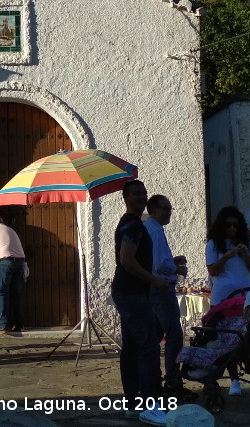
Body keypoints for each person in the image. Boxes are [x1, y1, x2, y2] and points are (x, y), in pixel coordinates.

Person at [111, 180, 169, 426]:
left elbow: (133, 259)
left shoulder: (132, 223)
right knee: (148, 347)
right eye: (136, 193)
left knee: (133, 348)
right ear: (124, 197)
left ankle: (133, 405)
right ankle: (149, 405)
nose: (142, 197)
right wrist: (154, 279)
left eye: (144, 193)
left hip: (128, 291)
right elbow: (127, 260)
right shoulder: (133, 224)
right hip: (133, 293)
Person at [144, 195, 197, 401]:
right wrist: (176, 267)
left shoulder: (153, 229)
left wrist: (171, 261)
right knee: (174, 335)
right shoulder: (155, 231)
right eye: (165, 209)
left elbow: (156, 260)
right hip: (161, 289)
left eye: (170, 209)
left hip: (156, 288)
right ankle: (172, 382)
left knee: (155, 336)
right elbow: (159, 265)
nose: (169, 212)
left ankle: (154, 380)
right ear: (154, 210)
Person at [205, 205, 250, 396]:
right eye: (229, 225)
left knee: (245, 338)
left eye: (235, 225)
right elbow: (213, 270)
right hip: (223, 298)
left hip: (245, 297)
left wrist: (244, 254)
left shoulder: (245, 243)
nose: (232, 229)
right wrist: (227, 256)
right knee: (226, 339)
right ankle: (233, 381)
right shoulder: (213, 245)